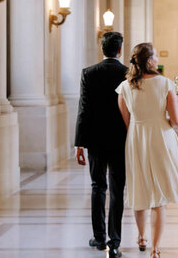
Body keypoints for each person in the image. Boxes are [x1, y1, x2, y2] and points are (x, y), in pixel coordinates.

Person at [116, 42, 178, 257]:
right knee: (159, 195)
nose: (159, 60)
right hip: (161, 138)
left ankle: (141, 237)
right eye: (156, 56)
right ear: (150, 61)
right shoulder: (165, 83)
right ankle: (155, 248)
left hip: (136, 138)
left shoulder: (125, 87)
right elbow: (176, 121)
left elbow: (127, 120)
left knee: (139, 190)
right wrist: (163, 120)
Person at [74, 31, 128, 258]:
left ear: (102, 49)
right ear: (120, 50)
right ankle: (114, 240)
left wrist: (79, 144)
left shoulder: (89, 73)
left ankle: (98, 238)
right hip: (120, 139)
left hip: (95, 140)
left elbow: (83, 109)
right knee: (117, 190)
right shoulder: (128, 73)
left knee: (98, 187)